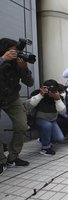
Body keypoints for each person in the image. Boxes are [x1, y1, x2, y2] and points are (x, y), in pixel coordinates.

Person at [0, 38, 34, 174]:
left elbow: (30, 83)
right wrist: (2, 59)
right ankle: (1, 160)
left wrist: (24, 69)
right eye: (12, 51)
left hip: (13, 98)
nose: (15, 53)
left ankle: (13, 157)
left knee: (21, 125)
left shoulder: (18, 63)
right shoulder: (2, 58)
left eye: (17, 50)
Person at [28, 79, 65, 155]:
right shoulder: (37, 93)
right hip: (38, 119)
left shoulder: (58, 96)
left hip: (52, 120)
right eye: (48, 88)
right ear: (43, 87)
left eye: (53, 89)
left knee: (60, 139)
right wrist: (40, 95)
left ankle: (43, 139)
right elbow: (28, 105)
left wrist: (57, 99)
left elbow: (62, 111)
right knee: (47, 126)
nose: (50, 91)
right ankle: (45, 148)